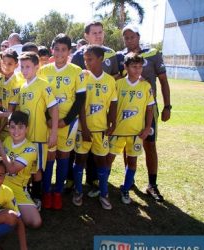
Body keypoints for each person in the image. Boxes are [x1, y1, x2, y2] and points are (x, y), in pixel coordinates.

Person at [117, 25, 171, 202]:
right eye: (126, 37)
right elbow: (118, 79)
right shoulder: (122, 56)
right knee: (127, 144)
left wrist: (167, 106)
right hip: (127, 111)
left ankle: (152, 185)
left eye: (132, 37)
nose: (129, 40)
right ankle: (129, 181)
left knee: (149, 144)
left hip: (148, 109)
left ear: (138, 37)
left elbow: (163, 81)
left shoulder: (153, 53)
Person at [71, 21, 119, 198]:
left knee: (101, 159)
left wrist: (112, 122)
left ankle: (102, 191)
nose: (86, 62)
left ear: (101, 60)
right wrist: (83, 126)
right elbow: (80, 104)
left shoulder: (110, 79)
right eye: (85, 59)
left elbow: (113, 103)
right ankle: (77, 189)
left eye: (89, 59)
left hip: (101, 128)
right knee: (80, 159)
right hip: (83, 127)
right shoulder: (82, 75)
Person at [39, 34, 85, 210]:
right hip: (49, 123)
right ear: (52, 50)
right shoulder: (44, 70)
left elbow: (80, 100)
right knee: (50, 155)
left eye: (63, 49)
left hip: (68, 122)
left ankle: (57, 191)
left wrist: (66, 120)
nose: (59, 53)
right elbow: (41, 96)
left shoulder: (76, 71)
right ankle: (46, 191)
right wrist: (49, 118)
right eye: (56, 49)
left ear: (69, 51)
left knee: (63, 155)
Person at [11, 51, 58, 209]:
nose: (24, 70)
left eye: (28, 67)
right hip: (24, 138)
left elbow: (54, 109)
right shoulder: (23, 87)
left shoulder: (43, 84)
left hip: (38, 137)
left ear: (37, 67)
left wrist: (54, 133)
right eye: (22, 67)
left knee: (36, 170)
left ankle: (37, 198)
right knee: (26, 168)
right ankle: (27, 194)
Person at [108, 53, 154, 204]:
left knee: (132, 162)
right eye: (134, 66)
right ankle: (103, 187)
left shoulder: (146, 86)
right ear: (125, 67)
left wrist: (147, 127)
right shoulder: (118, 84)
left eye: (140, 67)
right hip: (117, 131)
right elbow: (110, 106)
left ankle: (126, 189)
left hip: (136, 133)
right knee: (109, 160)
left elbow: (149, 109)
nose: (138, 70)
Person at [0, 111, 42, 228]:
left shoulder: (30, 149)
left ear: (27, 129)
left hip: (17, 189)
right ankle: (3, 206)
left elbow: (12, 169)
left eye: (20, 127)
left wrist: (1, 150)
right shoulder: (8, 140)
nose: (16, 131)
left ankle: (4, 206)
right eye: (13, 127)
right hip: (0, 182)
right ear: (8, 128)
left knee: (35, 222)